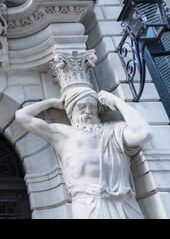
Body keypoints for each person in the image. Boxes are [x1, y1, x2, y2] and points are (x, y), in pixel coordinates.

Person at [15, 87, 152, 218]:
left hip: (124, 204)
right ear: (71, 110)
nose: (88, 111)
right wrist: (51, 102)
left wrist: (117, 102)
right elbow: (22, 116)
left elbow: (144, 133)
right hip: (88, 205)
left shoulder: (114, 131)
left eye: (92, 106)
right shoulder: (64, 134)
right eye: (82, 106)